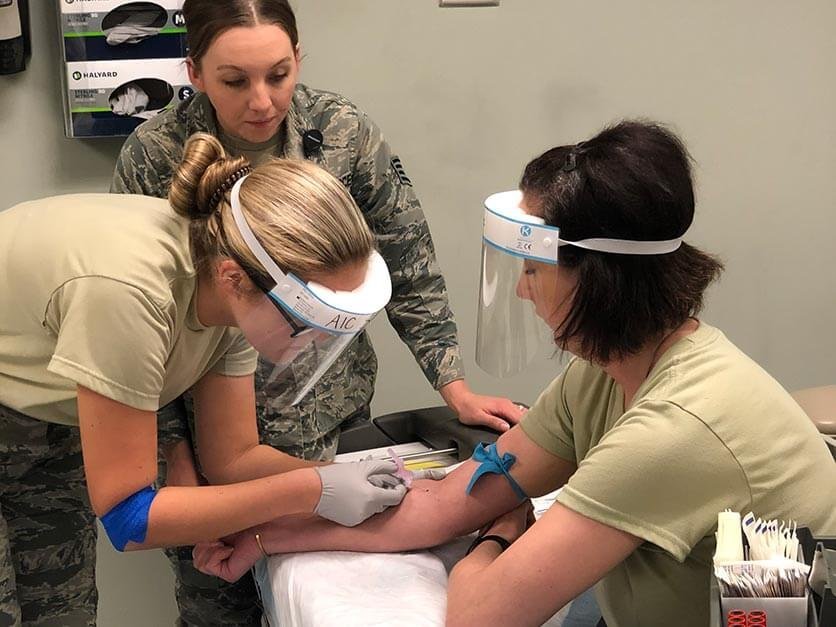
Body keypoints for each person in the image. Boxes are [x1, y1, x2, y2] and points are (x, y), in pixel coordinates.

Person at [193, 120, 836, 627]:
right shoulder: (607, 375)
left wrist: (503, 528)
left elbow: (480, 615)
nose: (524, 294)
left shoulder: (678, 428)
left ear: (601, 280)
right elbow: (446, 504)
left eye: (533, 271)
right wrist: (267, 536)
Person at [111, 1, 523, 622]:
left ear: (299, 59)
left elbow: (408, 261)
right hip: (205, 428)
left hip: (329, 414)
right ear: (193, 71)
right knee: (219, 600)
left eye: (278, 75)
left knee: (336, 578)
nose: (261, 101)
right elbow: (143, 328)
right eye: (234, 81)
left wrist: (453, 384)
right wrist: (178, 465)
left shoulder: (343, 133)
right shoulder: (154, 154)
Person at [0, 132, 415, 627]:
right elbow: (129, 519)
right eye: (306, 324)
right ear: (233, 278)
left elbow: (233, 459)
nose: (308, 343)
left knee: (57, 611)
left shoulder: (234, 287)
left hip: (38, 416)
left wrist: (338, 478)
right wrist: (311, 488)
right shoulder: (130, 294)